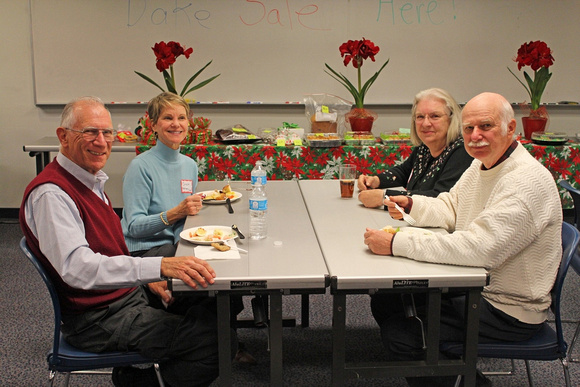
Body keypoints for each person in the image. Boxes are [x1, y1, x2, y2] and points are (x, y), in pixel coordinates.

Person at [19, 96, 236, 387]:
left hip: (121, 295)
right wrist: (156, 267)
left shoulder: (90, 181)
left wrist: (144, 279)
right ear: (63, 137)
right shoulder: (52, 195)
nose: (101, 141)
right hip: (97, 318)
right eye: (90, 132)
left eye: (107, 133)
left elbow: (108, 250)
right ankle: (138, 382)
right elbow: (77, 268)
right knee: (218, 342)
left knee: (212, 298)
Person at [364, 92, 562, 386]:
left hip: (507, 309)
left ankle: (467, 380)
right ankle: (456, 372)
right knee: (388, 301)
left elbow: (480, 249)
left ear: (511, 128)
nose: (475, 135)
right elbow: (450, 206)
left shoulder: (526, 181)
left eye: (486, 126)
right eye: (469, 128)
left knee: (402, 334)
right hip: (476, 286)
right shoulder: (482, 163)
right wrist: (411, 205)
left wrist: (397, 244)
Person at [357, 88, 473, 208]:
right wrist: (376, 180)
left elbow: (439, 198)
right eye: (420, 117)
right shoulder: (425, 147)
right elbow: (403, 172)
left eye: (435, 116)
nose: (426, 123)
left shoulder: (462, 152)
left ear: (451, 119)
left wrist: (384, 197)